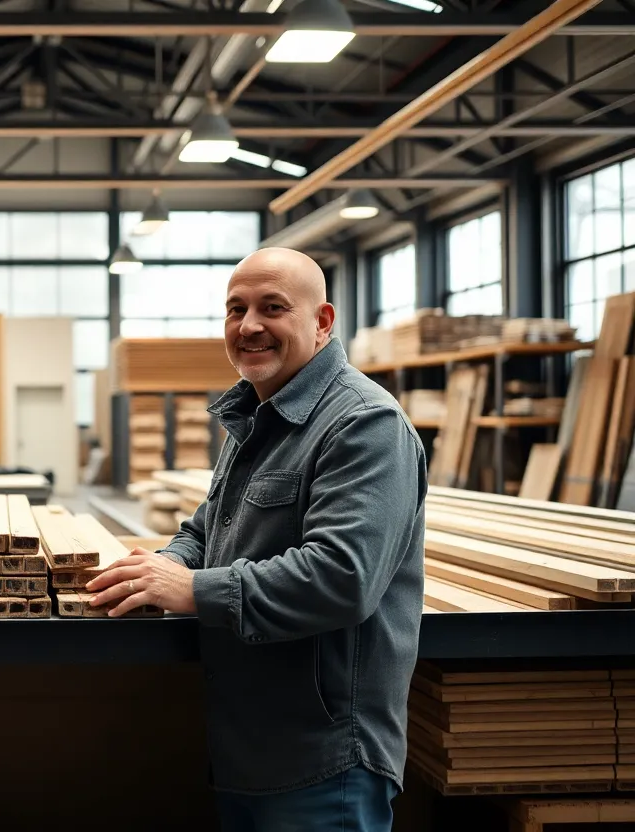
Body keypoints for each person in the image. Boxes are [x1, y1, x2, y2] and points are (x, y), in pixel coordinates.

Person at [87, 247, 425, 831]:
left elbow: (343, 577)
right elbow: (205, 529)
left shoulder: (364, 425)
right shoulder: (259, 417)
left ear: (322, 321)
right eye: (235, 309)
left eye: (272, 307)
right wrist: (157, 571)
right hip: (250, 744)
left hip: (322, 757)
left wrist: (194, 589)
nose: (249, 326)